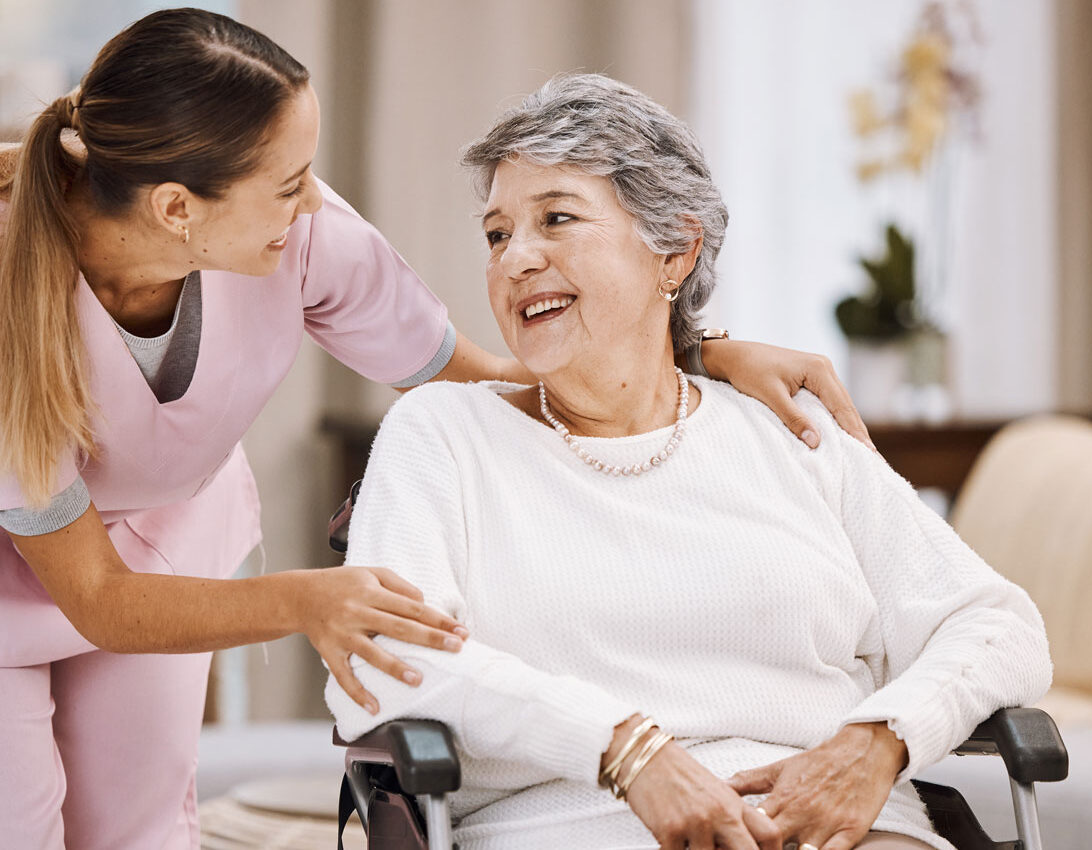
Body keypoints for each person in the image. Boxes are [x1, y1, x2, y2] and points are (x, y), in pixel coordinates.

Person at [0, 11, 874, 849]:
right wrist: (310, 601)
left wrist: (701, 353)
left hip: (160, 541)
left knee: (138, 833)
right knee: (2, 834)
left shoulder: (300, 234)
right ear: (178, 207)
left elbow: (504, 370)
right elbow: (93, 596)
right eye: (284, 182)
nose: (310, 203)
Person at [326, 73, 1053, 850]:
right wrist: (624, 749)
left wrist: (880, 741)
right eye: (498, 234)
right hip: (570, 823)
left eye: (556, 219)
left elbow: (997, 624)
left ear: (674, 251)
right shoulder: (441, 433)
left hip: (828, 824)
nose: (515, 260)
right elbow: (388, 662)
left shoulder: (787, 431)